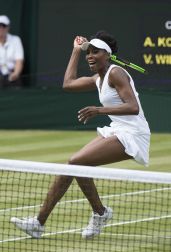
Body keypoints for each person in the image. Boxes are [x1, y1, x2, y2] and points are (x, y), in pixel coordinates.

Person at [11, 30, 151, 239]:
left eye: (96, 52)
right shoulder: (98, 78)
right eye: (88, 52)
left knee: (76, 161)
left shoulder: (116, 73)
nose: (90, 56)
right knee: (72, 166)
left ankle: (98, 213)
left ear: (108, 54)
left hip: (134, 134)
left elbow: (133, 107)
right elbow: (68, 84)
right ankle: (41, 223)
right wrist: (76, 51)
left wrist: (98, 110)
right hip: (118, 129)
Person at [0, 15, 24, 88]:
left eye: (3, 26)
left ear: (8, 27)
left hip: (12, 76)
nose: (1, 28)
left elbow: (19, 61)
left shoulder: (16, 40)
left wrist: (16, 74)